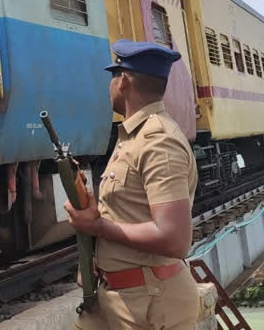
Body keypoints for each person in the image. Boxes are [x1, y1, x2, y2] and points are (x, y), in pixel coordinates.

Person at [64, 39, 200, 330]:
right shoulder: (133, 135)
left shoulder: (158, 141)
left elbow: (174, 238)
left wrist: (97, 227)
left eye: (113, 76)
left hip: (150, 305)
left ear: (123, 81)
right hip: (113, 297)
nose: (110, 85)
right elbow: (129, 209)